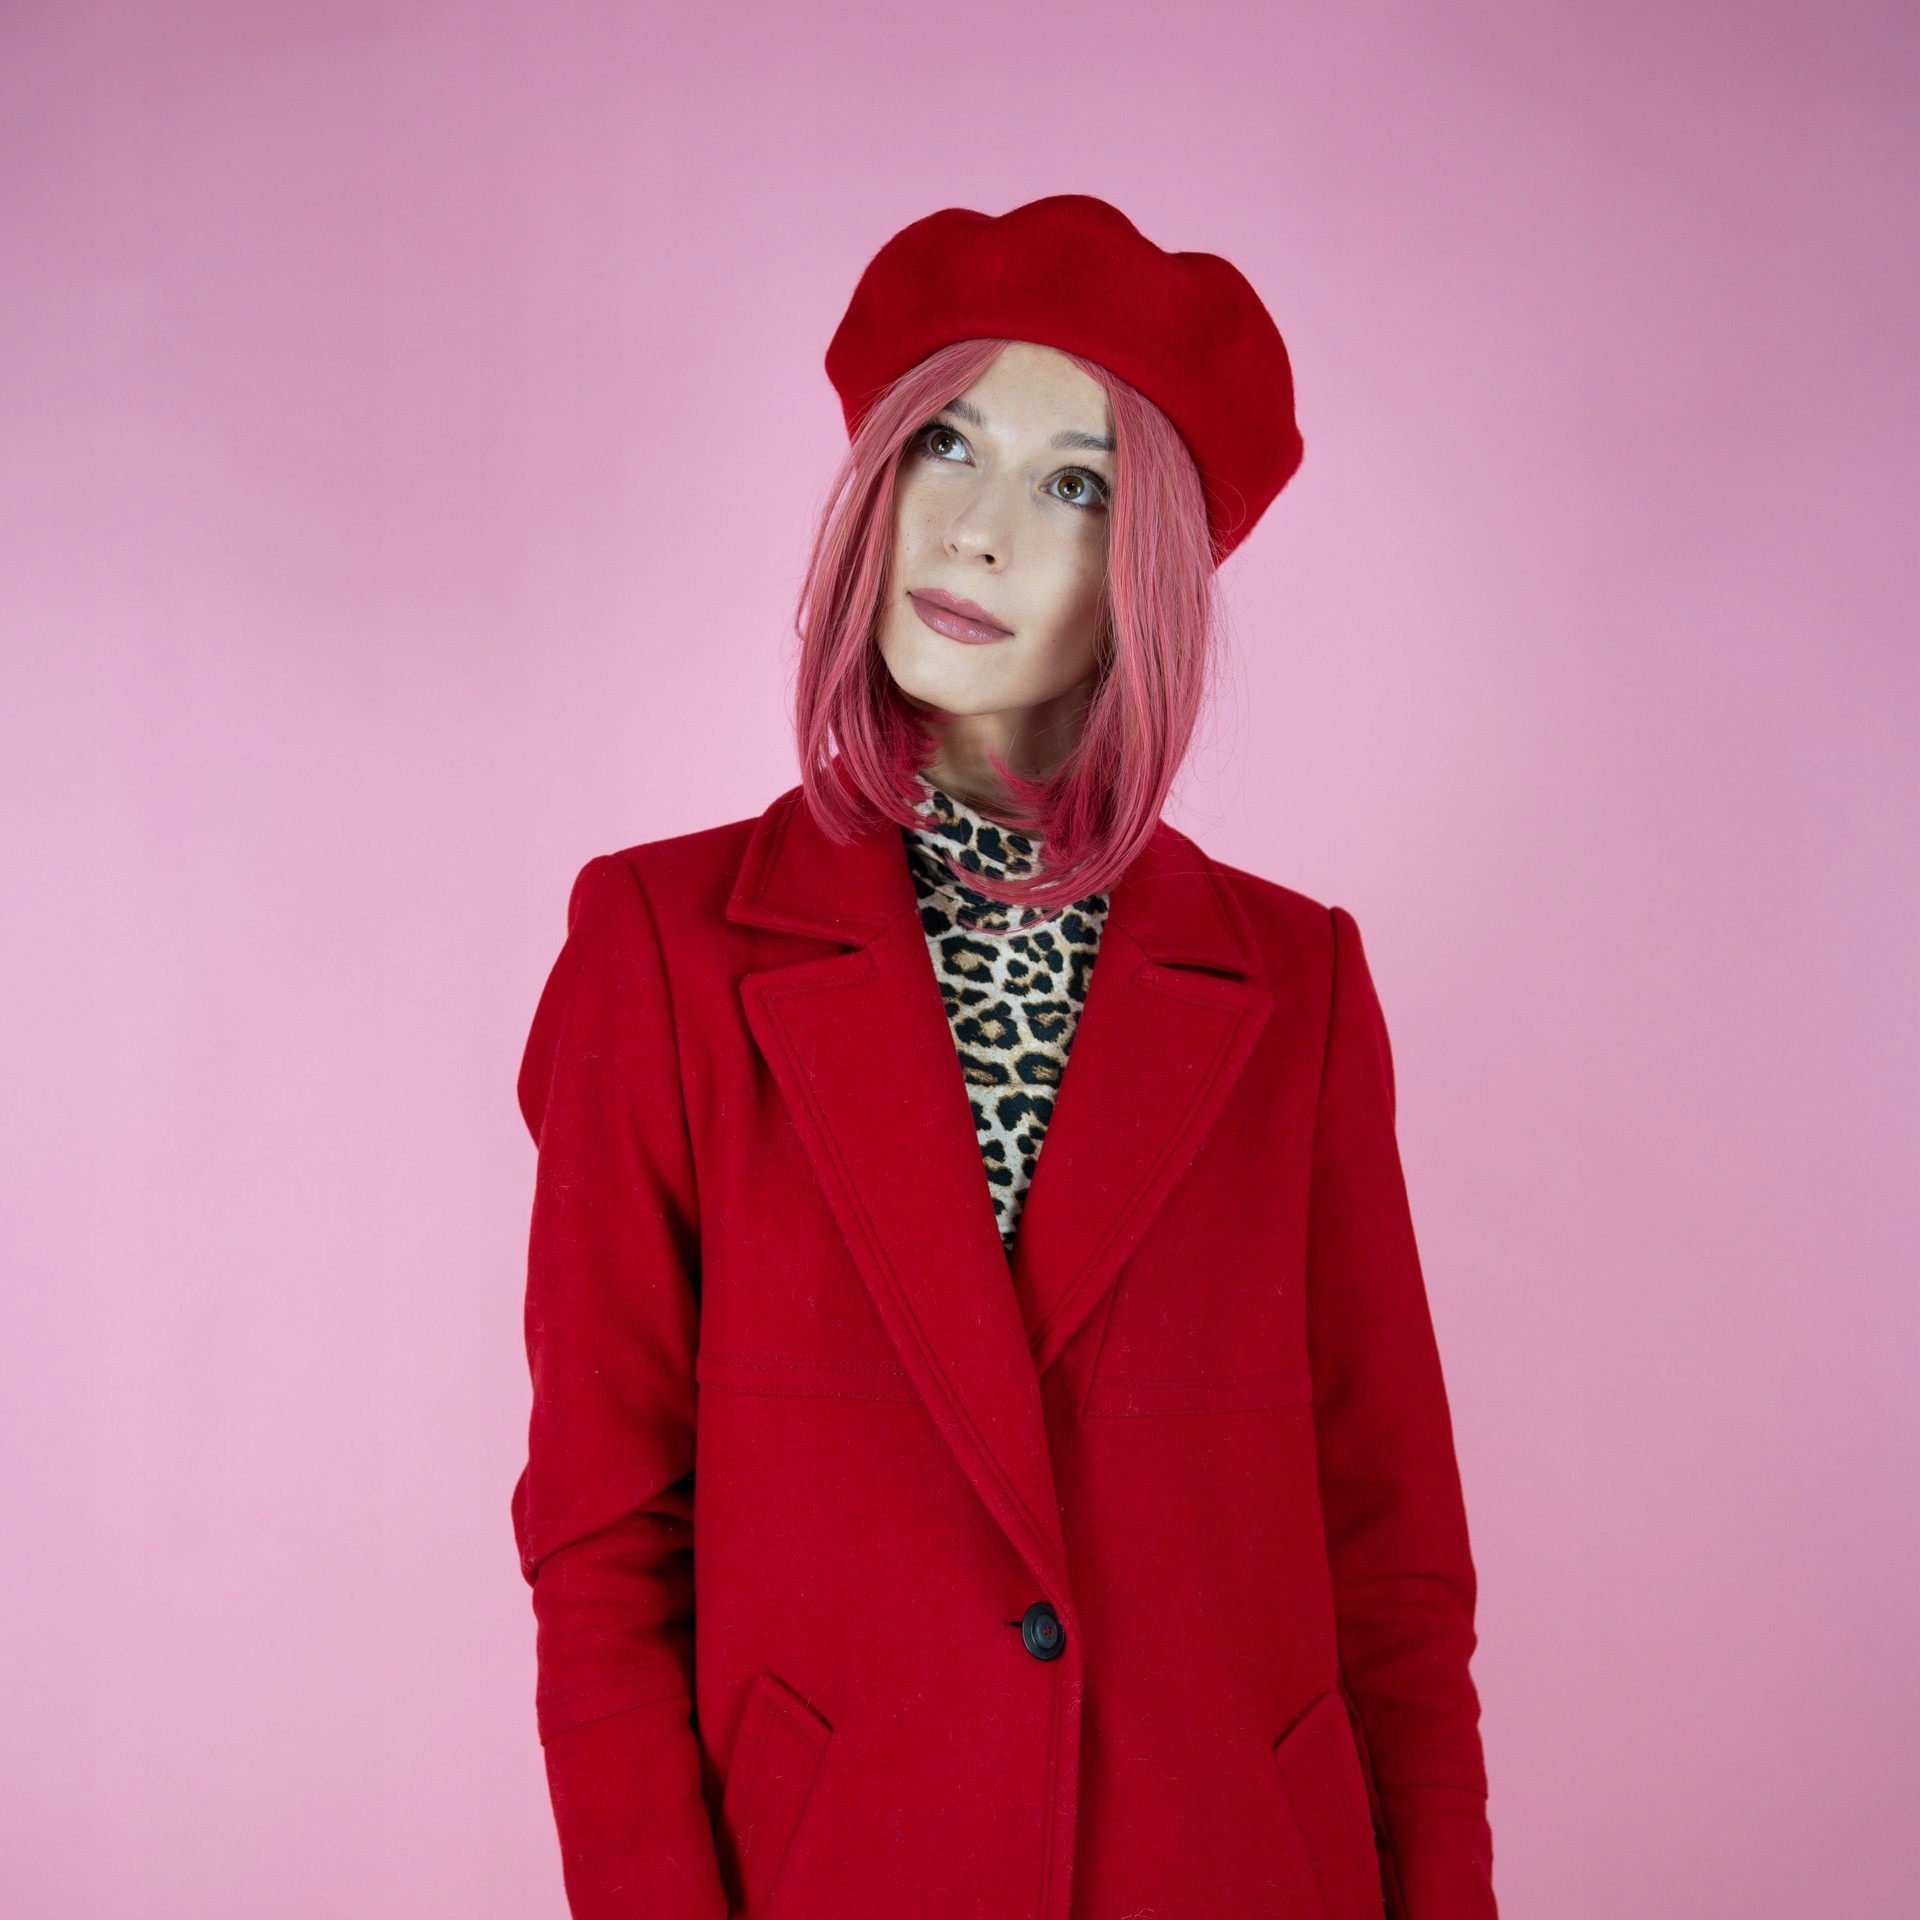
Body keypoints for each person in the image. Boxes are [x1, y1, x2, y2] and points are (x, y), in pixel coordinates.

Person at [512, 195, 1496, 1920]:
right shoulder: (662, 950)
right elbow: (605, 1549)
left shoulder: (1300, 985)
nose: (974, 532)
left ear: (1150, 572)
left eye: (1075, 486)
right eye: (947, 446)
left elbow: (1393, 1560)